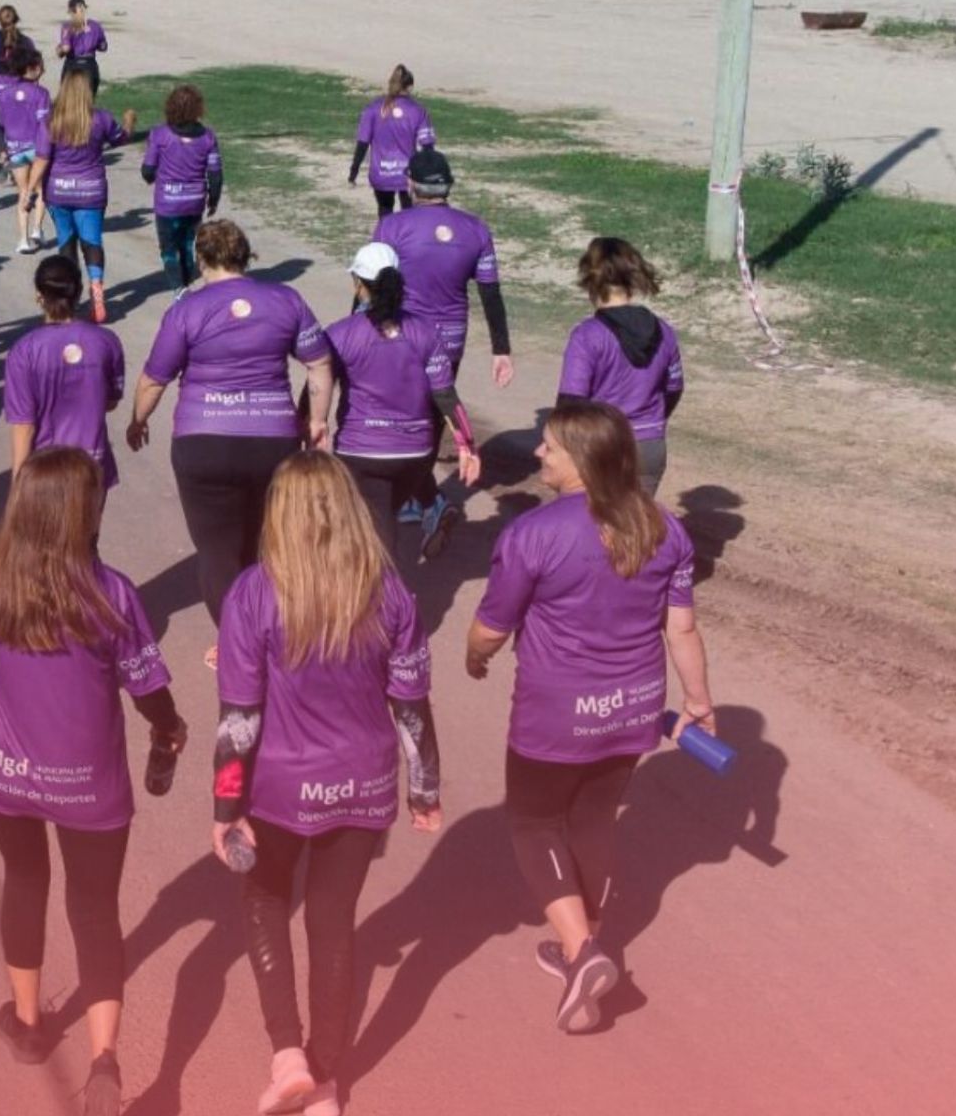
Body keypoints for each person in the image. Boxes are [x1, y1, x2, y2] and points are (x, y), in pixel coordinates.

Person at [464, 402, 710, 1034]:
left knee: (534, 823)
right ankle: (584, 947)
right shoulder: (665, 528)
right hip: (634, 707)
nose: (538, 454)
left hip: (556, 712)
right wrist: (699, 700)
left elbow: (491, 628)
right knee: (594, 819)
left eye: (548, 446)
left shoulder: (533, 533)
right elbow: (681, 627)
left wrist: (474, 658)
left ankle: (582, 951)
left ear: (581, 459)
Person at [210, 451, 439, 1116]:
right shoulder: (389, 592)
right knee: (334, 922)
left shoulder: (253, 594)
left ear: (277, 514)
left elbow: (240, 718)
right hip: (364, 784)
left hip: (278, 788)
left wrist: (226, 807)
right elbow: (410, 705)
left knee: (264, 900)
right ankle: (328, 1082)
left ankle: (288, 1056)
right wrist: (424, 789)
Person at [0, 448, 184, 1116]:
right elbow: (147, 686)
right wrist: (169, 728)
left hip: (7, 771)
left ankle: (28, 1024)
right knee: (94, 910)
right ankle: (104, 1059)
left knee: (24, 880)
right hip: (88, 784)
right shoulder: (109, 594)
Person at [127, 220, 332, 627]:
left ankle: (236, 640)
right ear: (245, 256)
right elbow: (320, 363)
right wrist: (318, 421)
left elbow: (154, 379)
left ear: (200, 259)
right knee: (266, 542)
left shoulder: (186, 309)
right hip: (272, 441)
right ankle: (274, 628)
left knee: (217, 550)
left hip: (204, 443)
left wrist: (138, 421)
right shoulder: (286, 299)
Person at [373, 148, 514, 489]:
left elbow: (373, 286)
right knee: (437, 409)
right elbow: (490, 293)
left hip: (402, 335)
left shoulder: (391, 226)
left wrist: (359, 329)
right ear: (448, 185)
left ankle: (405, 487)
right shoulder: (476, 229)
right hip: (450, 338)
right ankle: (421, 484)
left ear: (410, 184)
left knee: (398, 408)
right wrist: (501, 349)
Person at [328, 243, 481, 558]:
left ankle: (383, 588)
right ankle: (432, 507)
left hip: (361, 453)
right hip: (416, 456)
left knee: (374, 530)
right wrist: (467, 446)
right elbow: (445, 395)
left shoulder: (340, 334)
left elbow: (317, 384)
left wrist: (309, 424)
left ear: (358, 285)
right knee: (380, 517)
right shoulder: (425, 331)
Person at [557, 238, 684, 496]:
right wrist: (654, 420)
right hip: (649, 446)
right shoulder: (665, 331)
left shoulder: (587, 335)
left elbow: (570, 403)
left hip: (602, 446)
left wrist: (559, 448)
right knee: (635, 520)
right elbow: (674, 388)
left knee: (587, 521)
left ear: (589, 279)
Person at [5, 256, 125, 489]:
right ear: (78, 292)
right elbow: (110, 402)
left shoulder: (24, 351)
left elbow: (23, 425)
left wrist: (18, 484)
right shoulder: (107, 341)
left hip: (45, 471)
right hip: (93, 465)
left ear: (39, 296)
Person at [32, 73, 139, 323]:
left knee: (66, 243)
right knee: (92, 242)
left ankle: (69, 298)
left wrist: (28, 190)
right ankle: (97, 288)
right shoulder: (100, 118)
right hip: (91, 190)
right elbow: (120, 138)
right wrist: (129, 122)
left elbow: (42, 158)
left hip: (59, 191)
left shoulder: (51, 121)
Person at [141, 84, 222, 294]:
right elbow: (215, 174)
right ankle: (186, 283)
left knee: (169, 248)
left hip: (168, 204)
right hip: (194, 202)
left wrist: (152, 177)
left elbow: (148, 170)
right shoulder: (208, 137)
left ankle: (179, 290)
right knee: (187, 245)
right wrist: (213, 200)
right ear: (198, 109)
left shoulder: (159, 134)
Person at [347, 64, 436, 216]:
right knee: (409, 215)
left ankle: (386, 231)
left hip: (381, 173)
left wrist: (353, 172)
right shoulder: (418, 110)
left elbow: (362, 143)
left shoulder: (373, 108)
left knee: (384, 212)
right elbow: (427, 145)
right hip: (408, 175)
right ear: (410, 87)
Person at [0, 45, 51, 254]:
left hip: (15, 148)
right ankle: (37, 229)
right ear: (31, 68)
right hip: (36, 147)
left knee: (23, 191)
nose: (43, 69)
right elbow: (45, 123)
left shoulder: (5, 94)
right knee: (40, 189)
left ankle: (23, 240)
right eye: (40, 65)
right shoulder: (41, 93)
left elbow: (1, 121)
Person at [56, 0, 108, 91]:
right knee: (90, 97)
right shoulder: (95, 26)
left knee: (68, 96)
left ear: (70, 11)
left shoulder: (67, 26)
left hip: (72, 64)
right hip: (90, 64)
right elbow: (103, 47)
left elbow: (66, 48)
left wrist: (59, 49)